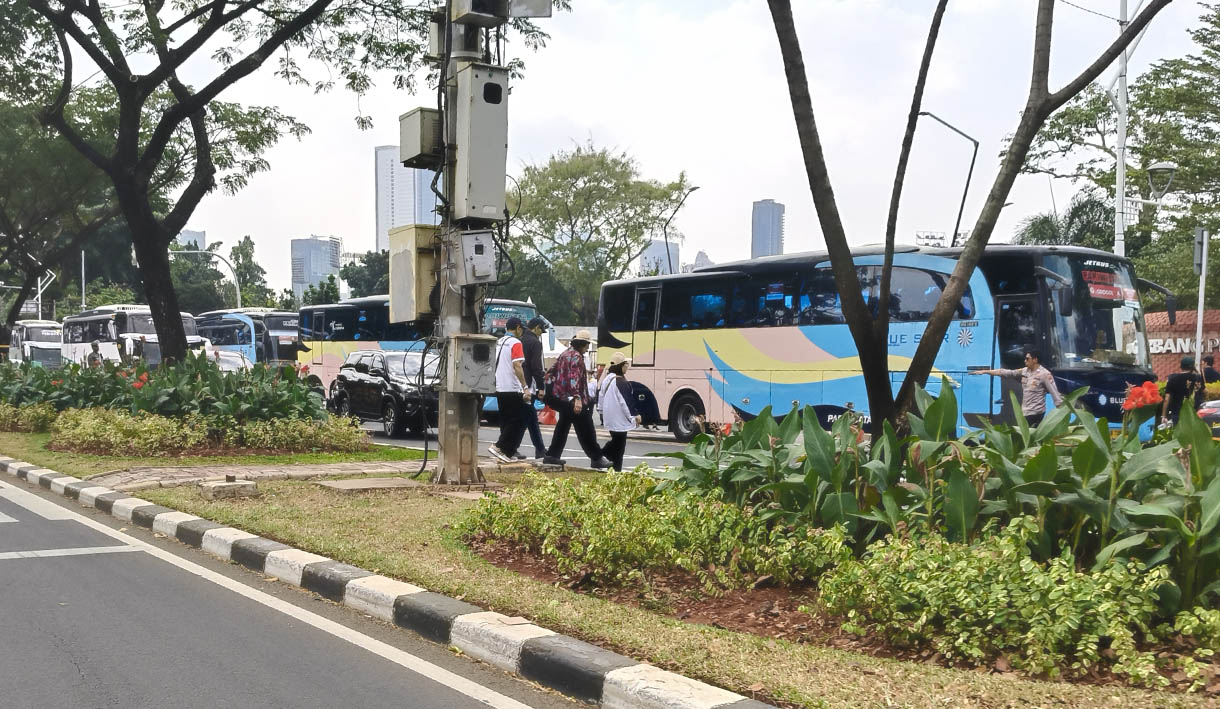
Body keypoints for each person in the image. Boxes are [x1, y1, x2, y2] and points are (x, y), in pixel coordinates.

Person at [544, 330, 610, 469]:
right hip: (575, 400)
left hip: (562, 398)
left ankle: (552, 455)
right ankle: (596, 457)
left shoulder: (565, 354)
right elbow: (574, 379)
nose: (587, 348)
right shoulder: (576, 357)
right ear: (583, 344)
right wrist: (577, 398)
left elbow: (551, 372)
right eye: (587, 345)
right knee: (586, 429)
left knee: (563, 427)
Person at [969, 349, 1064, 426]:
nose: (1025, 361)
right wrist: (985, 371)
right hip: (1024, 412)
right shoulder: (1024, 371)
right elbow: (1007, 372)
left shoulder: (1045, 374)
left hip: (1036, 413)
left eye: (1027, 359)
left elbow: (1055, 394)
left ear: (1035, 360)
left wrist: (1060, 414)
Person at [487, 317, 532, 463]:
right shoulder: (516, 343)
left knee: (506, 420)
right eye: (522, 329)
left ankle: (507, 452)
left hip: (500, 387)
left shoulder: (498, 342)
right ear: (518, 327)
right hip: (512, 387)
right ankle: (499, 446)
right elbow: (517, 365)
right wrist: (525, 387)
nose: (522, 333)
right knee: (518, 420)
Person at [597, 352, 641, 472]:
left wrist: (601, 410)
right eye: (626, 364)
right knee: (619, 446)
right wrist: (634, 415)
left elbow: (600, 396)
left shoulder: (607, 379)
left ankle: (605, 461)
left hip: (610, 417)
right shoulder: (620, 381)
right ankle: (601, 458)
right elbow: (626, 401)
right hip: (618, 419)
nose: (627, 366)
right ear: (620, 366)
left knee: (616, 442)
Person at [520, 317, 550, 460]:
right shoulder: (535, 343)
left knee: (530, 418)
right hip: (528, 386)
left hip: (516, 384)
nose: (540, 334)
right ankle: (508, 447)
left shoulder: (519, 340)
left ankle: (540, 449)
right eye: (540, 331)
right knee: (524, 418)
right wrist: (541, 387)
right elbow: (536, 367)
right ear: (537, 327)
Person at [1163, 356, 1204, 426]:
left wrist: (1163, 416)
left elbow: (1167, 399)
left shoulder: (1173, 379)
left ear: (1181, 366)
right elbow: (1205, 392)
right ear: (1192, 367)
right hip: (1195, 413)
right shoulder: (1198, 378)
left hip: (1177, 414)